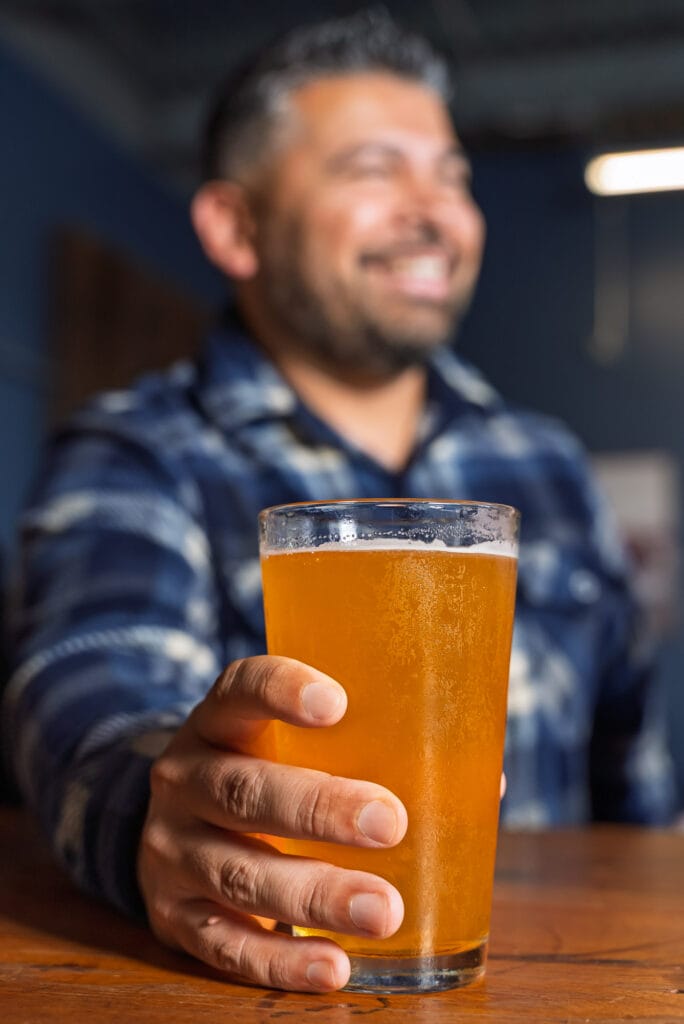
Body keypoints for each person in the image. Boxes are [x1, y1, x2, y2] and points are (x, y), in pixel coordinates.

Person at [1, 8, 675, 995]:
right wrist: (153, 804)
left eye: (451, 175)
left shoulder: (544, 462)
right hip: (291, 981)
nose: (433, 209)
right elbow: (83, 672)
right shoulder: (139, 448)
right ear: (236, 227)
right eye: (374, 169)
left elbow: (634, 759)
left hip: (552, 982)